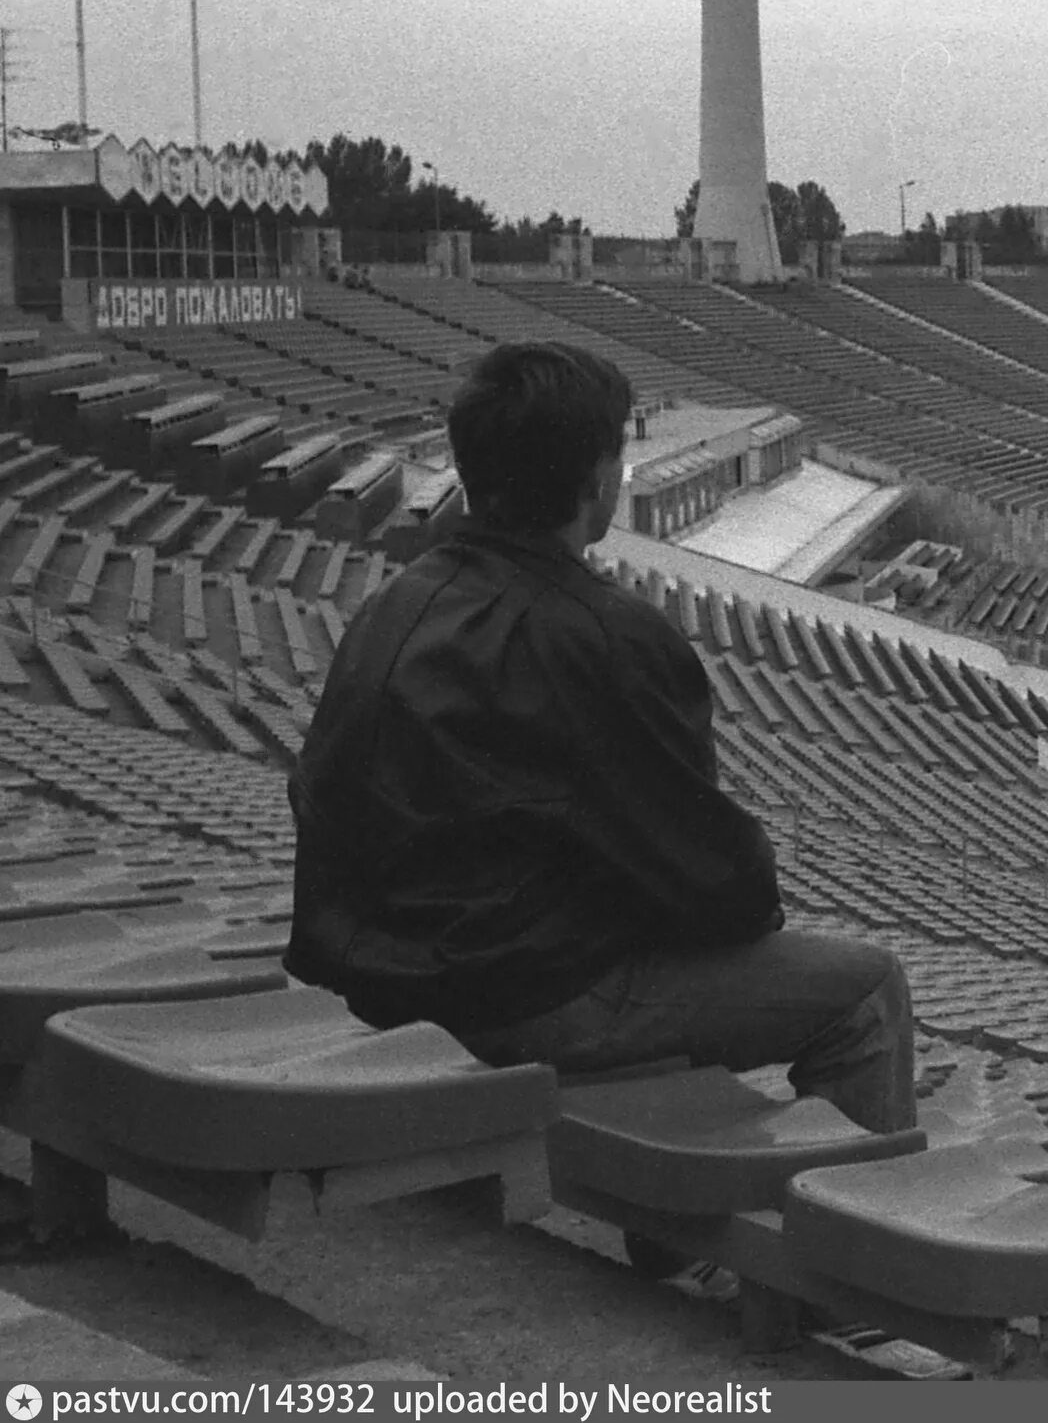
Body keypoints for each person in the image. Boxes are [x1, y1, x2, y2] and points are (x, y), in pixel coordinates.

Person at [285, 341, 915, 1136]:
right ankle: (832, 1239)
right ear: (595, 481)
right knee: (867, 991)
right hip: (513, 999)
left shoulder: (393, 602)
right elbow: (719, 885)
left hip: (368, 974)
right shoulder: (606, 635)